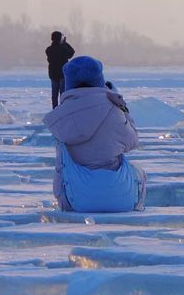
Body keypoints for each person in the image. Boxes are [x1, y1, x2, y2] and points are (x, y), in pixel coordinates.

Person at [43, 56, 146, 212]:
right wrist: (122, 109)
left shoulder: (59, 116)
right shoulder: (114, 111)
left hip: (73, 201)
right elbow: (132, 141)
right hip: (119, 199)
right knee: (138, 171)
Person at [46, 31, 75, 108]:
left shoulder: (49, 49)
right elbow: (72, 52)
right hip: (62, 74)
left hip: (53, 74)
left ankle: (55, 110)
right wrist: (65, 43)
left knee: (54, 95)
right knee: (63, 94)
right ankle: (63, 109)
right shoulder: (63, 49)